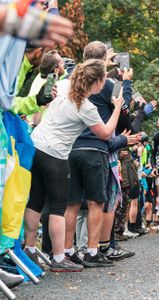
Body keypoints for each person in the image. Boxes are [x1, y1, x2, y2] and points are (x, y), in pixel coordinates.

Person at [24, 59, 123, 272]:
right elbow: (106, 134)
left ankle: (29, 249)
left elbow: (46, 97)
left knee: (35, 201)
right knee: (59, 208)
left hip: (37, 143)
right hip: (55, 154)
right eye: (103, 79)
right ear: (96, 83)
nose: (105, 82)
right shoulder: (86, 107)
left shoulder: (63, 85)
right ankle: (59, 258)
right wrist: (117, 108)